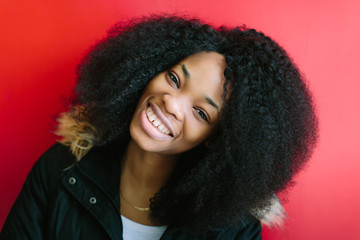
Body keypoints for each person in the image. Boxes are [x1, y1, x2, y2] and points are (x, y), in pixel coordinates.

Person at [0, 15, 318, 240]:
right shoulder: (61, 170)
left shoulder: (233, 229)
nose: (171, 103)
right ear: (148, 68)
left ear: (215, 140)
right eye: (175, 79)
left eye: (201, 113)